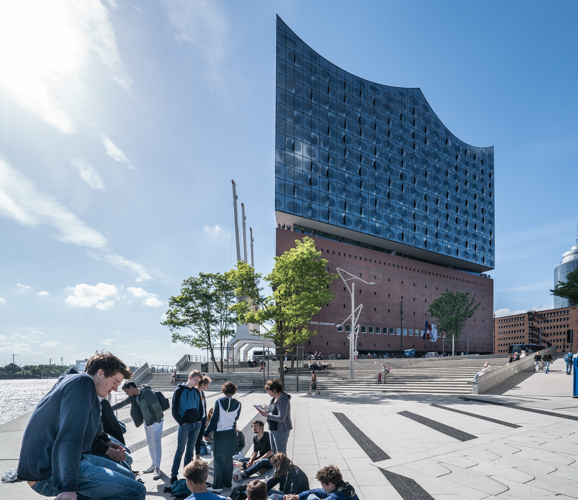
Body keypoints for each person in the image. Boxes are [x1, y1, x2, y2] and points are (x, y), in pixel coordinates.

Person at [18, 351, 145, 500]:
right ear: (100, 373)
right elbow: (70, 436)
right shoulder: (82, 383)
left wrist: (107, 444)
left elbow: (85, 432)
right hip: (49, 471)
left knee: (129, 476)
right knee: (136, 491)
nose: (116, 388)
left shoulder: (79, 384)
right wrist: (67, 487)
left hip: (72, 459)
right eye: (115, 382)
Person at [204, 381, 242, 493]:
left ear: (223, 390)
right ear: (234, 391)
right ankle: (227, 484)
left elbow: (214, 419)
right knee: (229, 459)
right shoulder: (238, 404)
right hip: (231, 433)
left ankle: (218, 486)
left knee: (218, 459)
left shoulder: (219, 402)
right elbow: (236, 419)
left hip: (220, 434)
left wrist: (206, 432)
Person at [123, 380, 165, 479]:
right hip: (147, 422)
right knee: (150, 443)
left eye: (126, 391)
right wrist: (106, 407)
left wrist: (157, 420)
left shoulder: (146, 392)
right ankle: (153, 464)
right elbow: (123, 403)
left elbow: (157, 406)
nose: (126, 393)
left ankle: (157, 468)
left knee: (156, 444)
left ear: (131, 388)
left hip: (156, 422)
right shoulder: (135, 396)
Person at [170, 370, 204, 484]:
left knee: (190, 450)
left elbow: (201, 407)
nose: (197, 383)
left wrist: (199, 420)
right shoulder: (179, 391)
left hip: (196, 425)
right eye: (196, 380)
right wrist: (181, 422)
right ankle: (174, 474)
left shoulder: (196, 391)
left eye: (198, 381)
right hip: (185, 425)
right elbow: (174, 409)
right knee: (180, 450)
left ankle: (187, 474)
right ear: (190, 378)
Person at [256, 379, 292, 455]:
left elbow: (281, 418)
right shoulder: (273, 399)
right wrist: (264, 411)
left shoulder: (283, 400)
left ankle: (283, 463)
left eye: (269, 390)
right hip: (272, 429)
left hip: (280, 430)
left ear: (275, 390)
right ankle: (277, 463)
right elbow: (273, 412)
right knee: (274, 452)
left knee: (280, 453)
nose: (267, 392)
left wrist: (267, 415)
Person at [286, 465, 358, 500]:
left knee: (311, 498)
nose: (322, 487)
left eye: (323, 485)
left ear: (330, 485)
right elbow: (318, 491)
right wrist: (299, 496)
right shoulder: (344, 488)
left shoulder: (334, 498)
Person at [195, 376, 212, 460]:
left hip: (202, 418)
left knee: (199, 437)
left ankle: (197, 456)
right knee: (194, 438)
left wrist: (205, 419)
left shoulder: (202, 393)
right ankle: (191, 457)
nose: (207, 387)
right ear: (203, 384)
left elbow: (204, 407)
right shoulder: (195, 392)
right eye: (207, 385)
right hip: (196, 419)